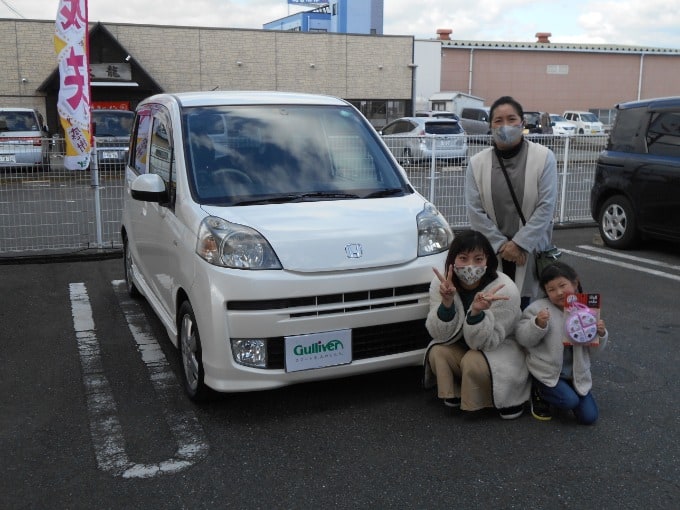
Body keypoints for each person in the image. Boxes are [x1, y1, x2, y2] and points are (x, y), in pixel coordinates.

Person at [423, 230, 530, 419]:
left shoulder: (505, 289)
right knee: (437, 351)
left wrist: (476, 313)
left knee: (473, 359)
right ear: (452, 260)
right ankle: (456, 391)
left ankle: (498, 399)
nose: (470, 266)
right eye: (463, 258)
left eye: (478, 259)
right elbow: (438, 334)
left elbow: (484, 344)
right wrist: (446, 303)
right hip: (464, 348)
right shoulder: (441, 284)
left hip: (497, 349)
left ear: (487, 260)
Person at [465, 96, 558, 308]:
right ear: (490, 126)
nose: (505, 126)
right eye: (498, 120)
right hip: (492, 252)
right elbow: (475, 211)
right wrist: (501, 246)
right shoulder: (477, 163)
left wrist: (519, 244)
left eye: (511, 119)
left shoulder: (544, 158)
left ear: (522, 123)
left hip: (529, 253)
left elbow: (546, 206)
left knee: (529, 314)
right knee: (495, 310)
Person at [515, 262, 609, 425]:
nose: (558, 292)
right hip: (547, 372)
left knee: (589, 417)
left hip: (575, 374)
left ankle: (566, 391)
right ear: (545, 292)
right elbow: (522, 338)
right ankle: (538, 389)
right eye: (551, 289)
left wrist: (600, 334)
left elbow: (594, 352)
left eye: (562, 285)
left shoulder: (586, 308)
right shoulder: (538, 308)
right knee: (569, 401)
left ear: (575, 282)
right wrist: (537, 323)